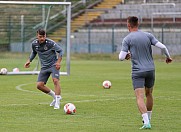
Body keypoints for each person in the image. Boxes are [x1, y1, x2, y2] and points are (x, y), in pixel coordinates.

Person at [119, 16, 172, 129]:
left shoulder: (127, 39)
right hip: (150, 70)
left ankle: (146, 122)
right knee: (149, 94)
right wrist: (168, 57)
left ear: (128, 25)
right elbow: (163, 47)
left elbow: (121, 57)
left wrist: (127, 55)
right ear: (137, 24)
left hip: (138, 71)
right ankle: (149, 119)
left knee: (139, 96)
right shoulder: (148, 35)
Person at [24, 29, 63, 110]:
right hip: (44, 67)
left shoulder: (50, 43)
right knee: (39, 85)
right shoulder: (34, 44)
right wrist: (29, 60)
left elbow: (60, 51)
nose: (42, 38)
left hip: (53, 65)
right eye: (40, 37)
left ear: (46, 35)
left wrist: (58, 62)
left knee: (55, 80)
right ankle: (54, 97)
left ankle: (58, 101)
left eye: (44, 36)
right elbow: (34, 52)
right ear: (37, 36)